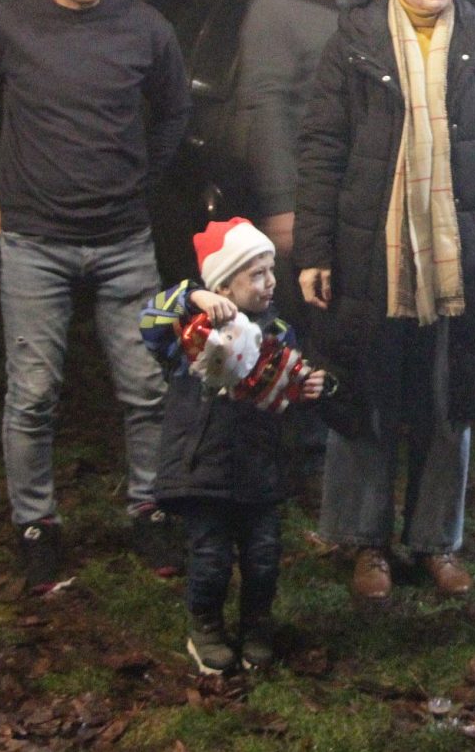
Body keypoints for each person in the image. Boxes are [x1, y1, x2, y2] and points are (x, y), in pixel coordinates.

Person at [295, 0, 475, 600]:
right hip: (372, 252)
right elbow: (322, 146)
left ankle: (436, 541)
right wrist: (314, 249)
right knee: (365, 394)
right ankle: (365, 541)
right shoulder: (355, 41)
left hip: (460, 255)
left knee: (447, 396)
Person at [0, 0, 191, 593]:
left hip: (124, 239)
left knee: (147, 387)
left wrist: (144, 177)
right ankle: (36, 525)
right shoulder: (4, 22)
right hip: (35, 240)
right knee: (32, 393)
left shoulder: (146, 26)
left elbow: (175, 109)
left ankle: (149, 510)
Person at [141, 218, 328, 675]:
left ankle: (257, 626)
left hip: (259, 467)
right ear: (223, 284)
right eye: (257, 274)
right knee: (211, 557)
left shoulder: (277, 331)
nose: (271, 282)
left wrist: (309, 387)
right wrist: (193, 295)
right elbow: (149, 320)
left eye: (271, 270)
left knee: (263, 556)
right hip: (203, 467)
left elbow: (286, 385)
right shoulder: (192, 330)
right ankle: (205, 627)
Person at [231, 0, 365, 472]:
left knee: (337, 320)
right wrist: (281, 201)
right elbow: (266, 107)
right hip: (303, 200)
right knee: (300, 322)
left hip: (349, 197)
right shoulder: (274, 13)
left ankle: (335, 437)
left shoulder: (353, 11)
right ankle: (295, 449)